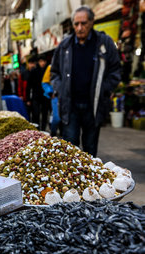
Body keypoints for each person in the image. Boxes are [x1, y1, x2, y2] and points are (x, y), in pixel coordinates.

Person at [51, 5, 121, 157]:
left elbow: (115, 71)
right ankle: (70, 180)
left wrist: (104, 88)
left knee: (90, 150)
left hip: (93, 106)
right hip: (70, 106)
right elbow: (54, 73)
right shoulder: (65, 45)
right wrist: (60, 88)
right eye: (76, 24)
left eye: (83, 23)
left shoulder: (104, 43)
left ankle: (89, 180)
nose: (80, 27)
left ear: (91, 22)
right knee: (70, 149)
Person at [27, 56, 49, 130]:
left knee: (45, 114)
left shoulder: (48, 70)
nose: (42, 63)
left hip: (46, 96)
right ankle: (36, 130)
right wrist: (28, 99)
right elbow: (28, 85)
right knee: (35, 114)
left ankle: (43, 129)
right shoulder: (34, 71)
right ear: (38, 62)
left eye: (44, 61)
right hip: (36, 96)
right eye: (40, 61)